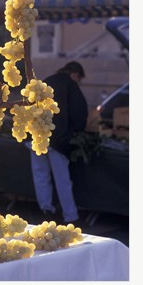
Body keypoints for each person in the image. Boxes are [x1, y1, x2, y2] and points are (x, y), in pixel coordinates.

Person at [29, 61, 88, 223]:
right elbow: (79, 111)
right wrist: (77, 129)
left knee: (41, 175)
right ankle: (71, 216)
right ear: (75, 74)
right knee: (62, 179)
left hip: (36, 136)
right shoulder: (71, 85)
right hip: (58, 139)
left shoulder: (45, 81)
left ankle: (46, 210)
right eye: (79, 79)